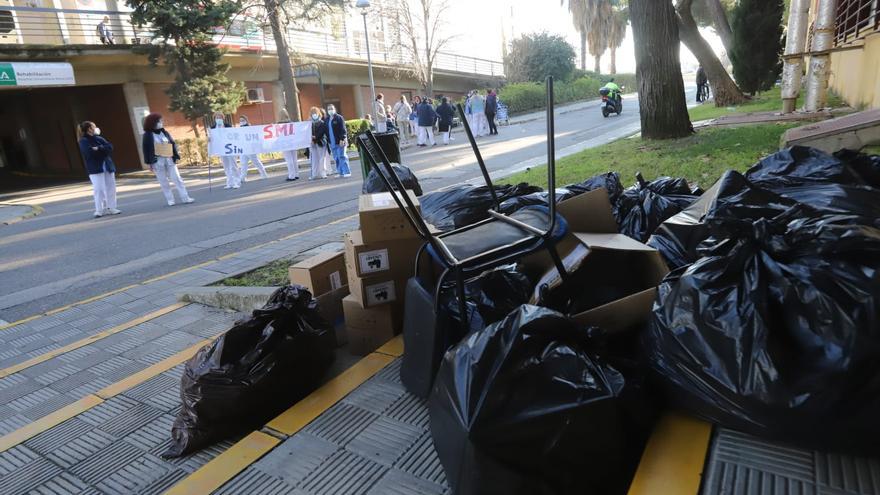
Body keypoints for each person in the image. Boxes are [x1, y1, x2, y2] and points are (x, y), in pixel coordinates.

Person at [142, 113, 195, 206]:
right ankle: (170, 199)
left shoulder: (164, 132)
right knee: (163, 181)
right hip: (157, 161)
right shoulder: (147, 135)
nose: (161, 123)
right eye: (159, 121)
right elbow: (145, 149)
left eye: (161, 121)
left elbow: (172, 143)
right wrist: (149, 162)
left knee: (177, 179)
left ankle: (185, 197)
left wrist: (175, 155)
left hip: (169, 159)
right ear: (153, 123)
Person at [78, 121, 120, 218]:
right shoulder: (83, 141)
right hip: (95, 168)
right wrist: (102, 150)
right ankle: (99, 210)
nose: (96, 128)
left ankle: (112, 207)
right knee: (99, 189)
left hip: (107, 166)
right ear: (89, 129)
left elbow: (110, 147)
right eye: (94, 126)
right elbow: (89, 153)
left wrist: (99, 148)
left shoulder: (100, 138)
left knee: (111, 187)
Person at [210, 112, 240, 189]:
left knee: (233, 165)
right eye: (217, 118)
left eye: (220, 117)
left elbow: (233, 135)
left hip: (229, 148)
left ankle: (237, 181)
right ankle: (230, 183)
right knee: (226, 166)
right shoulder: (213, 127)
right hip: (221, 149)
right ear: (214, 119)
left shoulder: (228, 126)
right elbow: (212, 138)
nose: (218, 119)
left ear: (223, 118)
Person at [237, 116, 268, 183]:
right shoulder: (239, 129)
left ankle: (264, 174)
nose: (241, 121)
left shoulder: (250, 128)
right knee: (243, 164)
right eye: (240, 120)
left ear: (246, 120)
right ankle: (242, 177)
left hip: (250, 148)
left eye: (243, 120)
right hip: (243, 149)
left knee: (256, 162)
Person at [325, 104, 351, 178]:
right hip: (332, 142)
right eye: (329, 109)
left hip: (340, 141)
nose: (330, 110)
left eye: (332, 108)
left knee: (342, 156)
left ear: (335, 109)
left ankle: (347, 172)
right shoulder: (327, 120)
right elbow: (325, 131)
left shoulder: (339, 118)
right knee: (336, 158)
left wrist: (342, 139)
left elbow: (343, 129)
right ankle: (340, 172)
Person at [277, 109, 299, 181]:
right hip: (292, 143)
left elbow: (278, 136)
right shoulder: (291, 123)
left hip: (285, 144)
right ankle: (296, 174)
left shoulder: (278, 125)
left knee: (289, 160)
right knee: (294, 159)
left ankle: (291, 175)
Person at [308, 106, 328, 180]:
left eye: (315, 113)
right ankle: (314, 174)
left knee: (322, 158)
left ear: (318, 114)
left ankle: (323, 173)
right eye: (312, 113)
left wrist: (315, 137)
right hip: (313, 143)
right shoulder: (309, 124)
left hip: (321, 142)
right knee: (314, 159)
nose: (314, 114)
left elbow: (322, 133)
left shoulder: (321, 123)